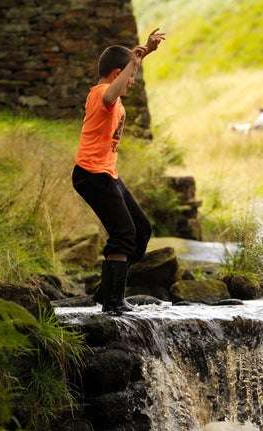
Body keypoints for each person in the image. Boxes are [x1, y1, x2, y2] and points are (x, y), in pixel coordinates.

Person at [72, 29, 165, 314]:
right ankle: (113, 302)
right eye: (129, 75)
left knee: (141, 230)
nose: (132, 82)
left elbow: (119, 84)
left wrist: (143, 54)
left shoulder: (108, 90)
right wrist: (134, 64)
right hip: (92, 174)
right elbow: (112, 94)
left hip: (107, 174)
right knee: (123, 233)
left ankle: (106, 290)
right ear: (117, 73)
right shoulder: (102, 93)